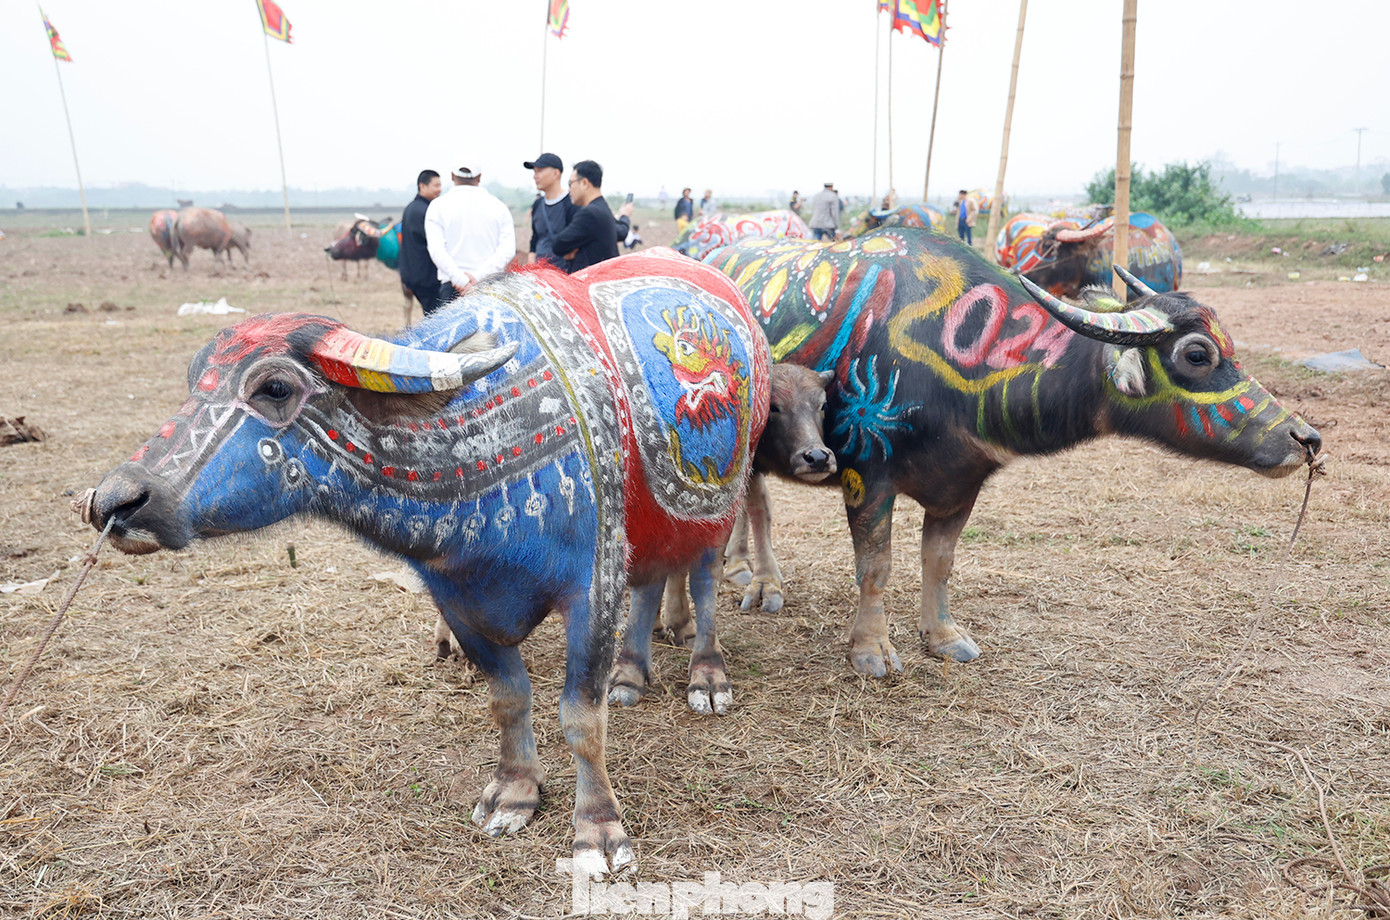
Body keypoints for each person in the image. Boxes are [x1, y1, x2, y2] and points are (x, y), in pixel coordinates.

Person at [424, 164, 516, 309]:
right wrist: (478, 279)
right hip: (490, 287)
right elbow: (507, 250)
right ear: (479, 177)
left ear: (452, 176)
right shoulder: (499, 207)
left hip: (452, 288)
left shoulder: (437, 207)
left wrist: (460, 280)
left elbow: (437, 250)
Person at [551, 160, 633, 274]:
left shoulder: (589, 213)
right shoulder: (602, 208)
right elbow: (620, 232)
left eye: (571, 184)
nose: (569, 190)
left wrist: (573, 248)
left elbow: (558, 245)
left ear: (584, 183)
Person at [397, 169, 443, 315]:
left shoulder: (414, 207)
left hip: (416, 276)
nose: (439, 190)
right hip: (425, 278)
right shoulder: (423, 211)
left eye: (440, 186)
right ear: (422, 186)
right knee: (436, 317)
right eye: (435, 186)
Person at [523, 152, 575, 268]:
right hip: (539, 275)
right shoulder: (538, 204)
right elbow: (535, 239)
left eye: (540, 171)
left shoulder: (570, 203)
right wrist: (531, 268)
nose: (535, 176)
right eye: (534, 172)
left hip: (563, 274)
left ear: (556, 173)